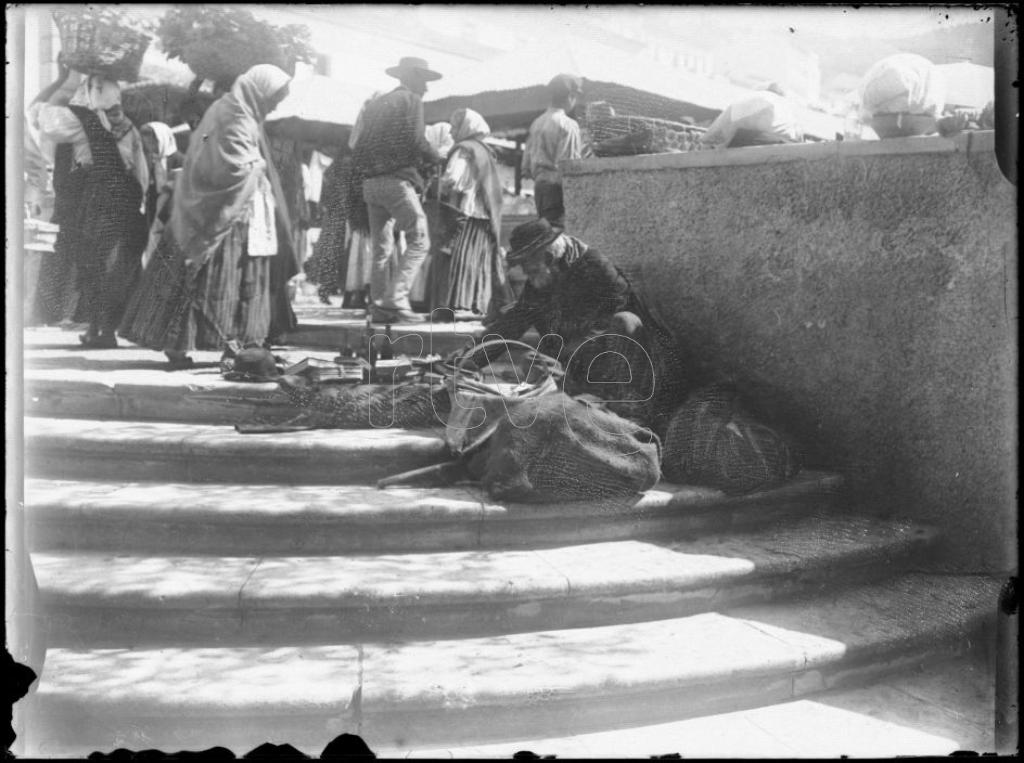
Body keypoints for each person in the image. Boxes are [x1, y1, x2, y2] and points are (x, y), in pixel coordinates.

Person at [119, 64, 293, 369]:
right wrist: (259, 166)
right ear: (259, 90)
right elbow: (232, 167)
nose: (276, 104)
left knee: (235, 285)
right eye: (274, 97)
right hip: (222, 215)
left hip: (228, 212)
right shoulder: (234, 115)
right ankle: (182, 344)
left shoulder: (234, 111)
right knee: (215, 281)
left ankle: (233, 347)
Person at [479, 218, 690, 436]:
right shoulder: (541, 281)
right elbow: (512, 324)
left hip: (624, 367)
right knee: (532, 365)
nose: (524, 271)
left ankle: (626, 414)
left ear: (550, 258)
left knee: (625, 321)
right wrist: (466, 358)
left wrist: (566, 353)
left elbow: (616, 323)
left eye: (527, 264)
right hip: (582, 367)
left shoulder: (596, 267)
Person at [31, 67, 149, 348]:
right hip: (126, 199)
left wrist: (64, 78)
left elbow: (39, 115)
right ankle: (104, 329)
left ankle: (99, 328)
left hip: (96, 197)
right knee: (115, 267)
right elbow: (140, 171)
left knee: (92, 263)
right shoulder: (127, 125)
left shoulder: (82, 118)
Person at [352, 57, 443, 323]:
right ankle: (395, 299)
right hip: (396, 180)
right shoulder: (411, 100)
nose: (426, 88)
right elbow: (416, 141)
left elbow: (357, 143)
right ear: (415, 78)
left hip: (370, 183)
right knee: (419, 239)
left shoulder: (376, 103)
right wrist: (436, 156)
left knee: (381, 247)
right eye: (424, 81)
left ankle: (378, 304)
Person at [438, 108, 513, 317]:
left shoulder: (464, 149)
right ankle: (475, 304)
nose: (452, 131)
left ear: (466, 127)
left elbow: (452, 178)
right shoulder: (484, 150)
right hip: (483, 214)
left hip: (464, 212)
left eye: (455, 126)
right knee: (478, 260)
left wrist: (437, 185)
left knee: (460, 258)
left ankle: (456, 305)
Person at [521, 74, 588, 229]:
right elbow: (569, 164)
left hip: (539, 186)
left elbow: (525, 166)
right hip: (557, 188)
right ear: (571, 96)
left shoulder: (537, 122)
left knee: (545, 233)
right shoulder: (568, 124)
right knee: (557, 235)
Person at [700, 84, 802, 148]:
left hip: (756, 144)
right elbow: (799, 139)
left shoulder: (754, 97)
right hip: (786, 148)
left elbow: (716, 129)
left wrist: (705, 140)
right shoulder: (789, 106)